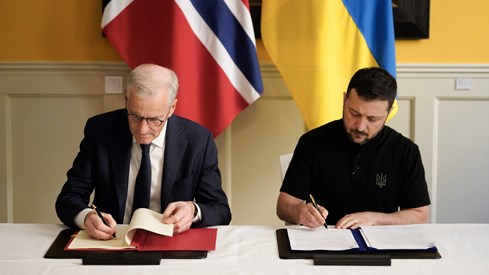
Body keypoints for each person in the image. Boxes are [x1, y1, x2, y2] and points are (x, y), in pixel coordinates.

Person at [56, 64, 231, 239]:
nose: (142, 129)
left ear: (172, 108)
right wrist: (86, 217)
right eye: (135, 116)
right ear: (126, 99)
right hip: (112, 240)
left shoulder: (198, 140)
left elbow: (220, 209)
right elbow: (69, 198)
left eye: (154, 119)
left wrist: (193, 210)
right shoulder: (100, 131)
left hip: (170, 242)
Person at [277, 67, 430, 229]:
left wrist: (374, 219)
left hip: (380, 245)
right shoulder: (312, 142)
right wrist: (301, 212)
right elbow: (284, 205)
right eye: (354, 113)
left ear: (388, 112)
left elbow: (419, 215)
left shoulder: (406, 150)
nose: (361, 126)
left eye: (372, 119)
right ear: (344, 100)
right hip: (323, 240)